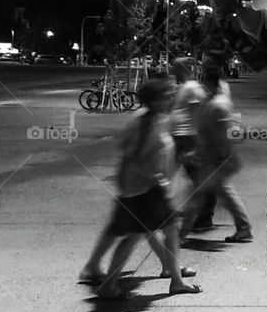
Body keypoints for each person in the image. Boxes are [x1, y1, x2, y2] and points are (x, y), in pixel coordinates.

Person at [79, 78, 201, 298]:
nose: (171, 98)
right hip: (145, 190)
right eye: (166, 95)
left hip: (146, 188)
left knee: (167, 231)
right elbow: (137, 157)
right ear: (155, 100)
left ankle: (175, 279)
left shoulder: (154, 119)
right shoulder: (145, 123)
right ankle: (109, 284)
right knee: (134, 236)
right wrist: (160, 180)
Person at [183, 59, 252, 243]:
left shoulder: (218, 104)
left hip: (214, 159)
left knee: (198, 195)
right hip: (213, 157)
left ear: (208, 81)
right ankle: (244, 228)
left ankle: (180, 234)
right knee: (222, 193)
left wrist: (227, 156)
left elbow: (225, 134)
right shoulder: (216, 101)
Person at [170, 58, 216, 234]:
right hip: (182, 137)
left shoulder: (192, 88)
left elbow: (197, 114)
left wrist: (195, 143)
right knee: (191, 176)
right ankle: (200, 214)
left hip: (187, 137)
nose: (172, 71)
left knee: (197, 177)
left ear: (182, 69)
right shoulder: (185, 87)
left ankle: (203, 216)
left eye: (174, 68)